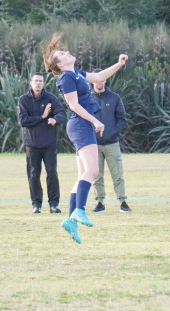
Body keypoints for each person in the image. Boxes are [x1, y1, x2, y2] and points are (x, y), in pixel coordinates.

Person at [42, 33, 128, 244]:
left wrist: (119, 64)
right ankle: (79, 210)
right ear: (60, 64)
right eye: (62, 53)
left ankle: (71, 221)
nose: (66, 51)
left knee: (83, 174)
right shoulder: (66, 78)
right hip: (80, 125)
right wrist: (96, 121)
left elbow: (99, 77)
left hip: (82, 125)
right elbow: (73, 106)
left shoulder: (77, 73)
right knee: (93, 170)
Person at [17, 72, 67, 214]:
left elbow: (62, 114)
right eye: (36, 81)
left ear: (43, 83)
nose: (38, 83)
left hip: (49, 144)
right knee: (33, 174)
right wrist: (43, 117)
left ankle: (53, 204)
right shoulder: (23, 100)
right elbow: (22, 121)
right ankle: (36, 204)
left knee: (52, 173)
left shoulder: (51, 98)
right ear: (31, 83)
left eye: (40, 81)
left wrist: (55, 119)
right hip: (32, 144)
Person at [90, 68, 132, 213]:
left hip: (111, 143)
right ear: (92, 80)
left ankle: (122, 201)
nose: (99, 81)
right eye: (97, 78)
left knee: (117, 174)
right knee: (97, 175)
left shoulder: (114, 98)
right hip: (94, 144)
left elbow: (122, 118)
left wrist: (112, 132)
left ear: (105, 79)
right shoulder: (87, 99)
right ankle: (99, 202)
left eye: (102, 78)